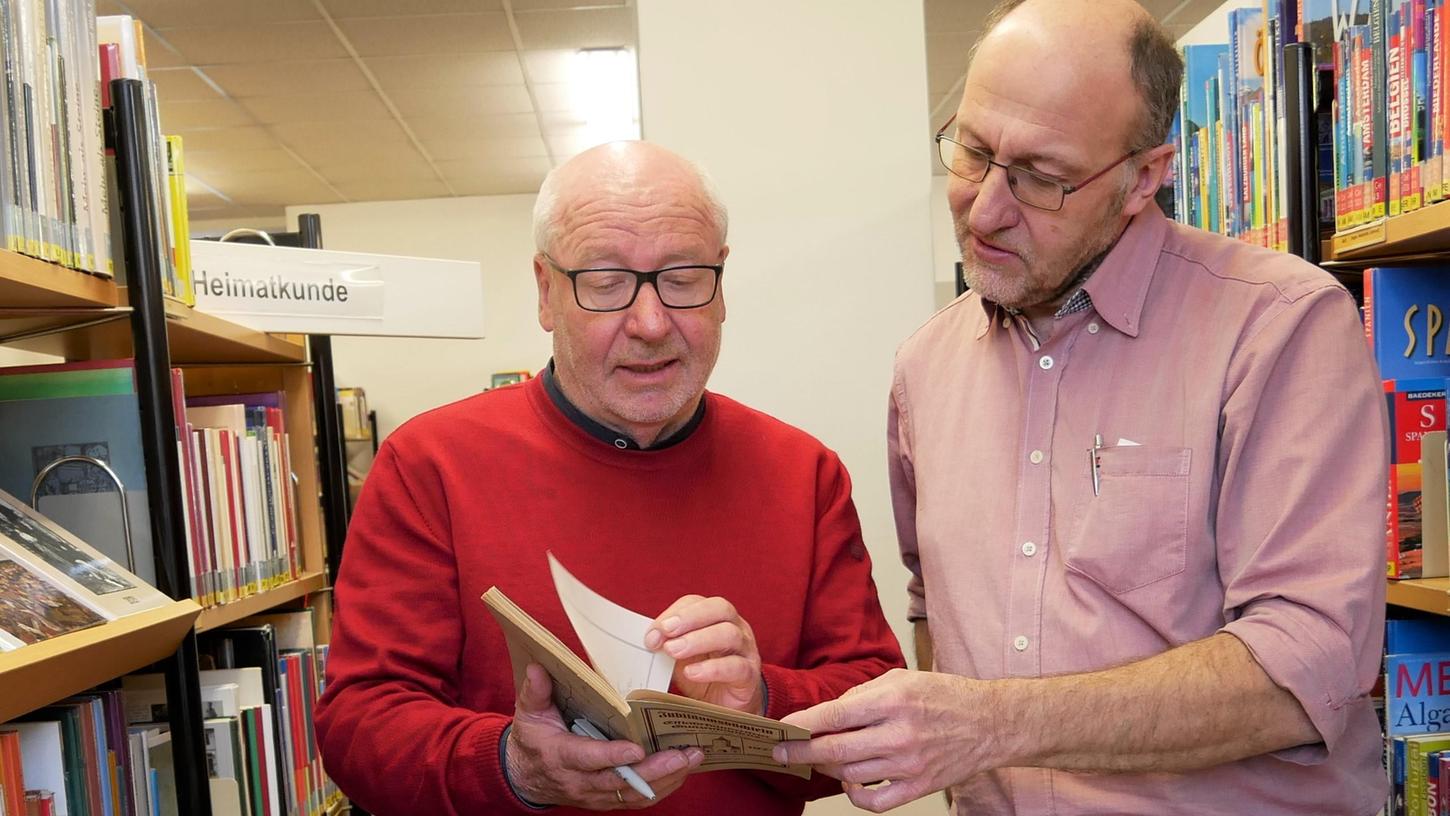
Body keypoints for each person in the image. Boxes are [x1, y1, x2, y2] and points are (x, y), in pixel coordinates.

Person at [773, 1, 1388, 814]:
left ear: (1143, 176)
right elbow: (936, 609)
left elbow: (1310, 666)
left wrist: (992, 725)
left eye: (1039, 178)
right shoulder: (925, 366)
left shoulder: (1280, 327)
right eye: (974, 151)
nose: (984, 207)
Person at [313, 141, 905, 815]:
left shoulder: (803, 473)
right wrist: (512, 765)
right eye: (605, 283)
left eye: (683, 280)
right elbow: (358, 728)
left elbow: (876, 715)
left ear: (721, 285)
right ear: (545, 291)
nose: (650, 324)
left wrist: (760, 701)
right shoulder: (429, 464)